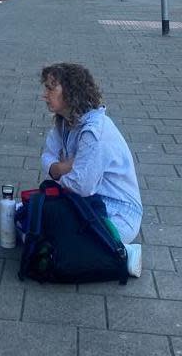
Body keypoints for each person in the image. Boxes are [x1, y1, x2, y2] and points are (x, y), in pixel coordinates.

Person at [39, 63, 142, 257]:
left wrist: (60, 174)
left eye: (50, 88)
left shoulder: (94, 131)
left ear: (70, 92)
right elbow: (46, 157)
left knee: (53, 237)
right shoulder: (65, 122)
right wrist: (63, 167)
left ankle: (124, 255)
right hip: (86, 204)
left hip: (117, 214)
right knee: (30, 218)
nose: (45, 95)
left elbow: (80, 186)